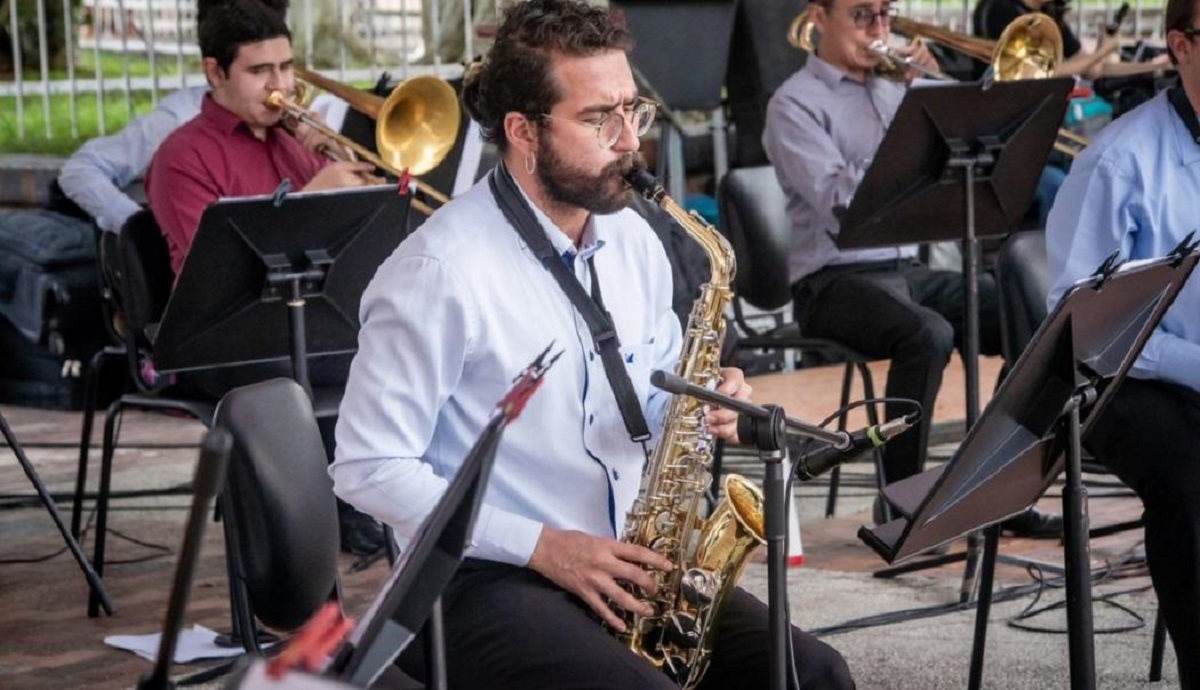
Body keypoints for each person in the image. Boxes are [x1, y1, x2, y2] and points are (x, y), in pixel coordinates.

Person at [330, 1, 855, 688]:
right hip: (482, 578)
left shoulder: (634, 236)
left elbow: (655, 380)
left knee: (816, 673)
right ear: (523, 130)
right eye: (599, 118)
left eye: (632, 110)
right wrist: (545, 547)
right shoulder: (437, 272)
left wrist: (698, 402)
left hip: (622, 558)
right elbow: (368, 467)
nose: (629, 141)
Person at [762, 0, 1060, 537]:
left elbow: (968, 155)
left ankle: (999, 481)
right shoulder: (794, 103)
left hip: (905, 269)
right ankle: (900, 505)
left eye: (885, 14)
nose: (879, 29)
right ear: (819, 18)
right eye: (861, 15)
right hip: (830, 282)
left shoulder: (897, 89)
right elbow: (838, 200)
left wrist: (941, 97)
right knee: (928, 333)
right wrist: (911, 130)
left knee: (1024, 312)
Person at [145, 0, 386, 556]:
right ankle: (314, 530)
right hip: (221, 337)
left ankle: (380, 507)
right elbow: (218, 269)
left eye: (286, 67)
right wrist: (312, 195)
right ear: (215, 72)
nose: (281, 86)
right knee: (300, 368)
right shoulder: (183, 156)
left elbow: (348, 246)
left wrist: (353, 179)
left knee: (402, 344)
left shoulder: (295, 142)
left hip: (306, 318)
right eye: (260, 71)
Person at [1045, 0, 1200, 682]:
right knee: (1192, 476)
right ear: (1181, 46)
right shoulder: (1117, 162)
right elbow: (1082, 325)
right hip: (1119, 380)